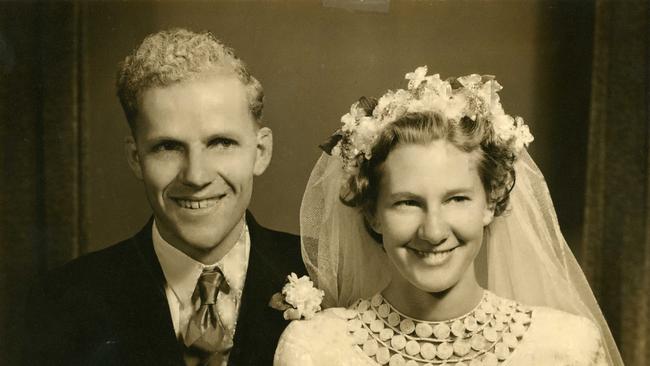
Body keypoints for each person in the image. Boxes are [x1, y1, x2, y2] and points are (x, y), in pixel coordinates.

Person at [274, 67, 623, 365]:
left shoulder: (565, 348)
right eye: (407, 202)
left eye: (456, 199)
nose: (434, 230)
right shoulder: (315, 350)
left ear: (491, 201)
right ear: (373, 212)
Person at [26, 28, 306, 366]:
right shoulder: (59, 302)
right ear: (135, 158)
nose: (196, 176)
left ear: (261, 151)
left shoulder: (327, 278)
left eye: (220, 143)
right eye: (168, 147)